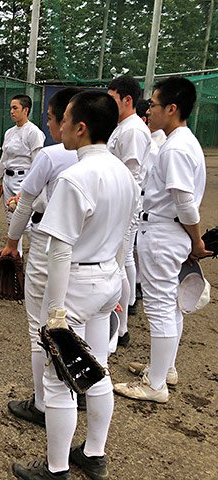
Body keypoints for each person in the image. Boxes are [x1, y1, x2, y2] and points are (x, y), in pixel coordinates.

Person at [12, 91, 139, 480]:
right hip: (106, 279)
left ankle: (56, 469)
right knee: (98, 369)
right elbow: (123, 236)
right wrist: (115, 282)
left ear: (81, 128)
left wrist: (55, 312)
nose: (60, 126)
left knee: (59, 378)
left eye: (65, 119)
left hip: (77, 283)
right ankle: (94, 453)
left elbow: (60, 250)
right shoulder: (123, 173)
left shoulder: (75, 177)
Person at [114, 77, 210, 403]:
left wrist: (196, 242)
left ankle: (155, 384)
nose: (149, 110)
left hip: (164, 232)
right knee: (170, 305)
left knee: (160, 307)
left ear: (172, 108)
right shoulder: (176, 141)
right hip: (166, 230)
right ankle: (164, 368)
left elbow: (184, 202)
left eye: (154, 105)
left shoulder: (178, 147)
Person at [0, 87, 81, 428]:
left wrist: (12, 243)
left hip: (49, 244)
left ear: (68, 121)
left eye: (51, 117)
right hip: (87, 252)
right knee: (74, 323)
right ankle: (80, 389)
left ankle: (43, 403)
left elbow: (27, 203)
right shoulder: (108, 162)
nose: (49, 124)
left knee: (40, 326)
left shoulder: (50, 154)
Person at [106, 76, 152, 346]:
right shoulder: (122, 126)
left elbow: (132, 176)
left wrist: (118, 207)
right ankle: (119, 324)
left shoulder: (133, 129)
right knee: (120, 263)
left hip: (125, 206)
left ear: (127, 100)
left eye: (113, 98)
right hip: (119, 204)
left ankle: (120, 329)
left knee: (120, 264)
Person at [0, 95, 46, 256]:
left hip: (23, 179)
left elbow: (37, 162)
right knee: (11, 220)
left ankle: (41, 255)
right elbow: (4, 158)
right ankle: (17, 257)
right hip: (8, 179)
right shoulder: (9, 132)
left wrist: (30, 187)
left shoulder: (33, 132)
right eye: (11, 108)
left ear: (26, 110)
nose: (11, 111)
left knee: (26, 222)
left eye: (15, 108)